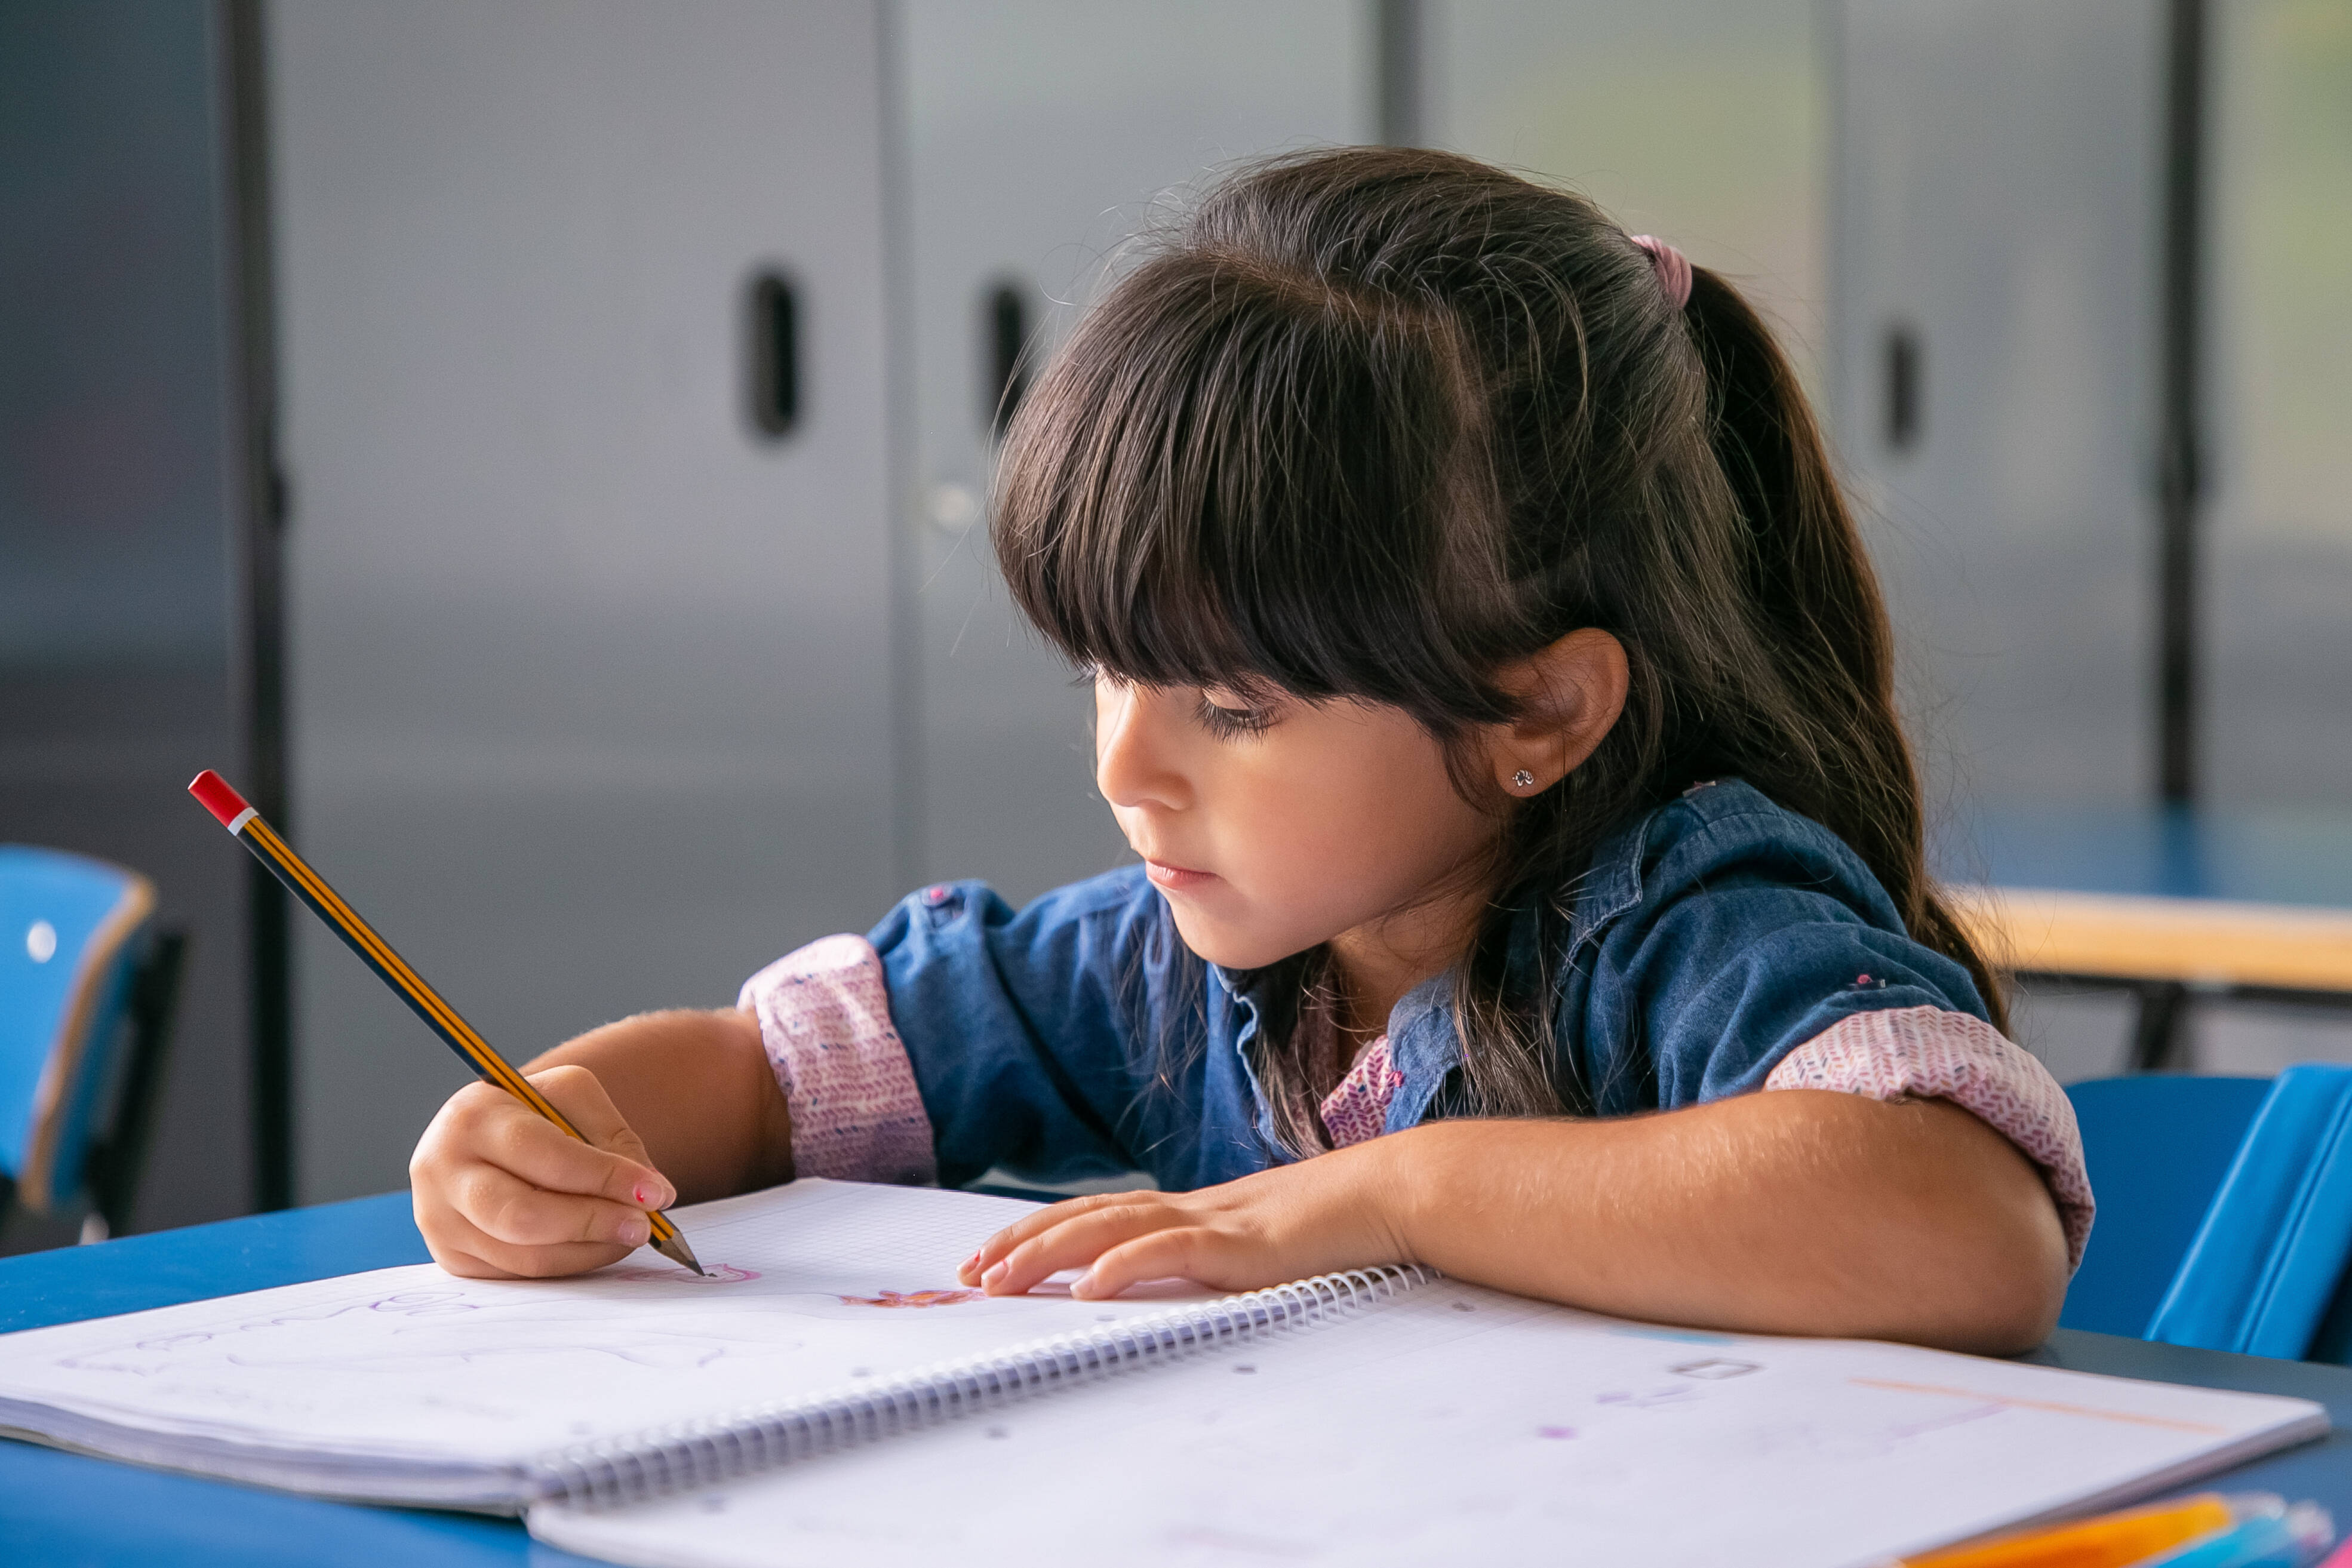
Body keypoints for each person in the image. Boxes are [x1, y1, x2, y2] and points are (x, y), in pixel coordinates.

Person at [410, 148, 2084, 1354]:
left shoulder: (1683, 917)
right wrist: (560, 1125)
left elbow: (1958, 1223)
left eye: (1233, 705)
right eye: (1104, 675)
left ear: (1536, 714)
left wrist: (1401, 1191)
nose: (1127, 769)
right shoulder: (1174, 960)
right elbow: (770, 1076)